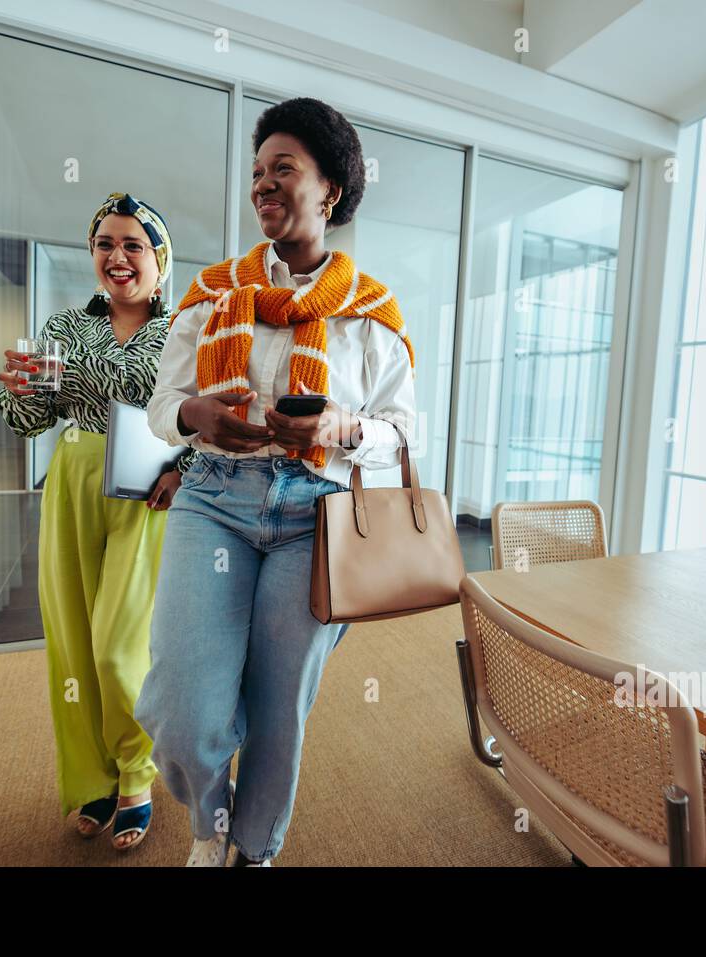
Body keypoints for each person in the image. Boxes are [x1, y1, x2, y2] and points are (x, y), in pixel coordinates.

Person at [137, 98, 416, 866]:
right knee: (183, 707)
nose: (263, 184)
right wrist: (197, 414)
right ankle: (212, 824)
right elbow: (164, 406)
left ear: (330, 190)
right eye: (256, 173)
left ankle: (251, 850)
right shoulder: (210, 293)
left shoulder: (373, 313)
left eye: (282, 169)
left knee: (279, 703)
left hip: (316, 514)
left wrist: (342, 427)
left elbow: (401, 431)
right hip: (215, 500)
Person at [0, 192, 192, 851]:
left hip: (146, 488)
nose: (117, 256)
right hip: (75, 476)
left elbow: (187, 409)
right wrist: (21, 394)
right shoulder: (61, 327)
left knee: (119, 647)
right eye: (105, 244)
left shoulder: (183, 330)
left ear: (159, 260)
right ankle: (94, 780)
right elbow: (31, 421)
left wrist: (182, 469)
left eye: (133, 245)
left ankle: (136, 773)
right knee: (75, 643)